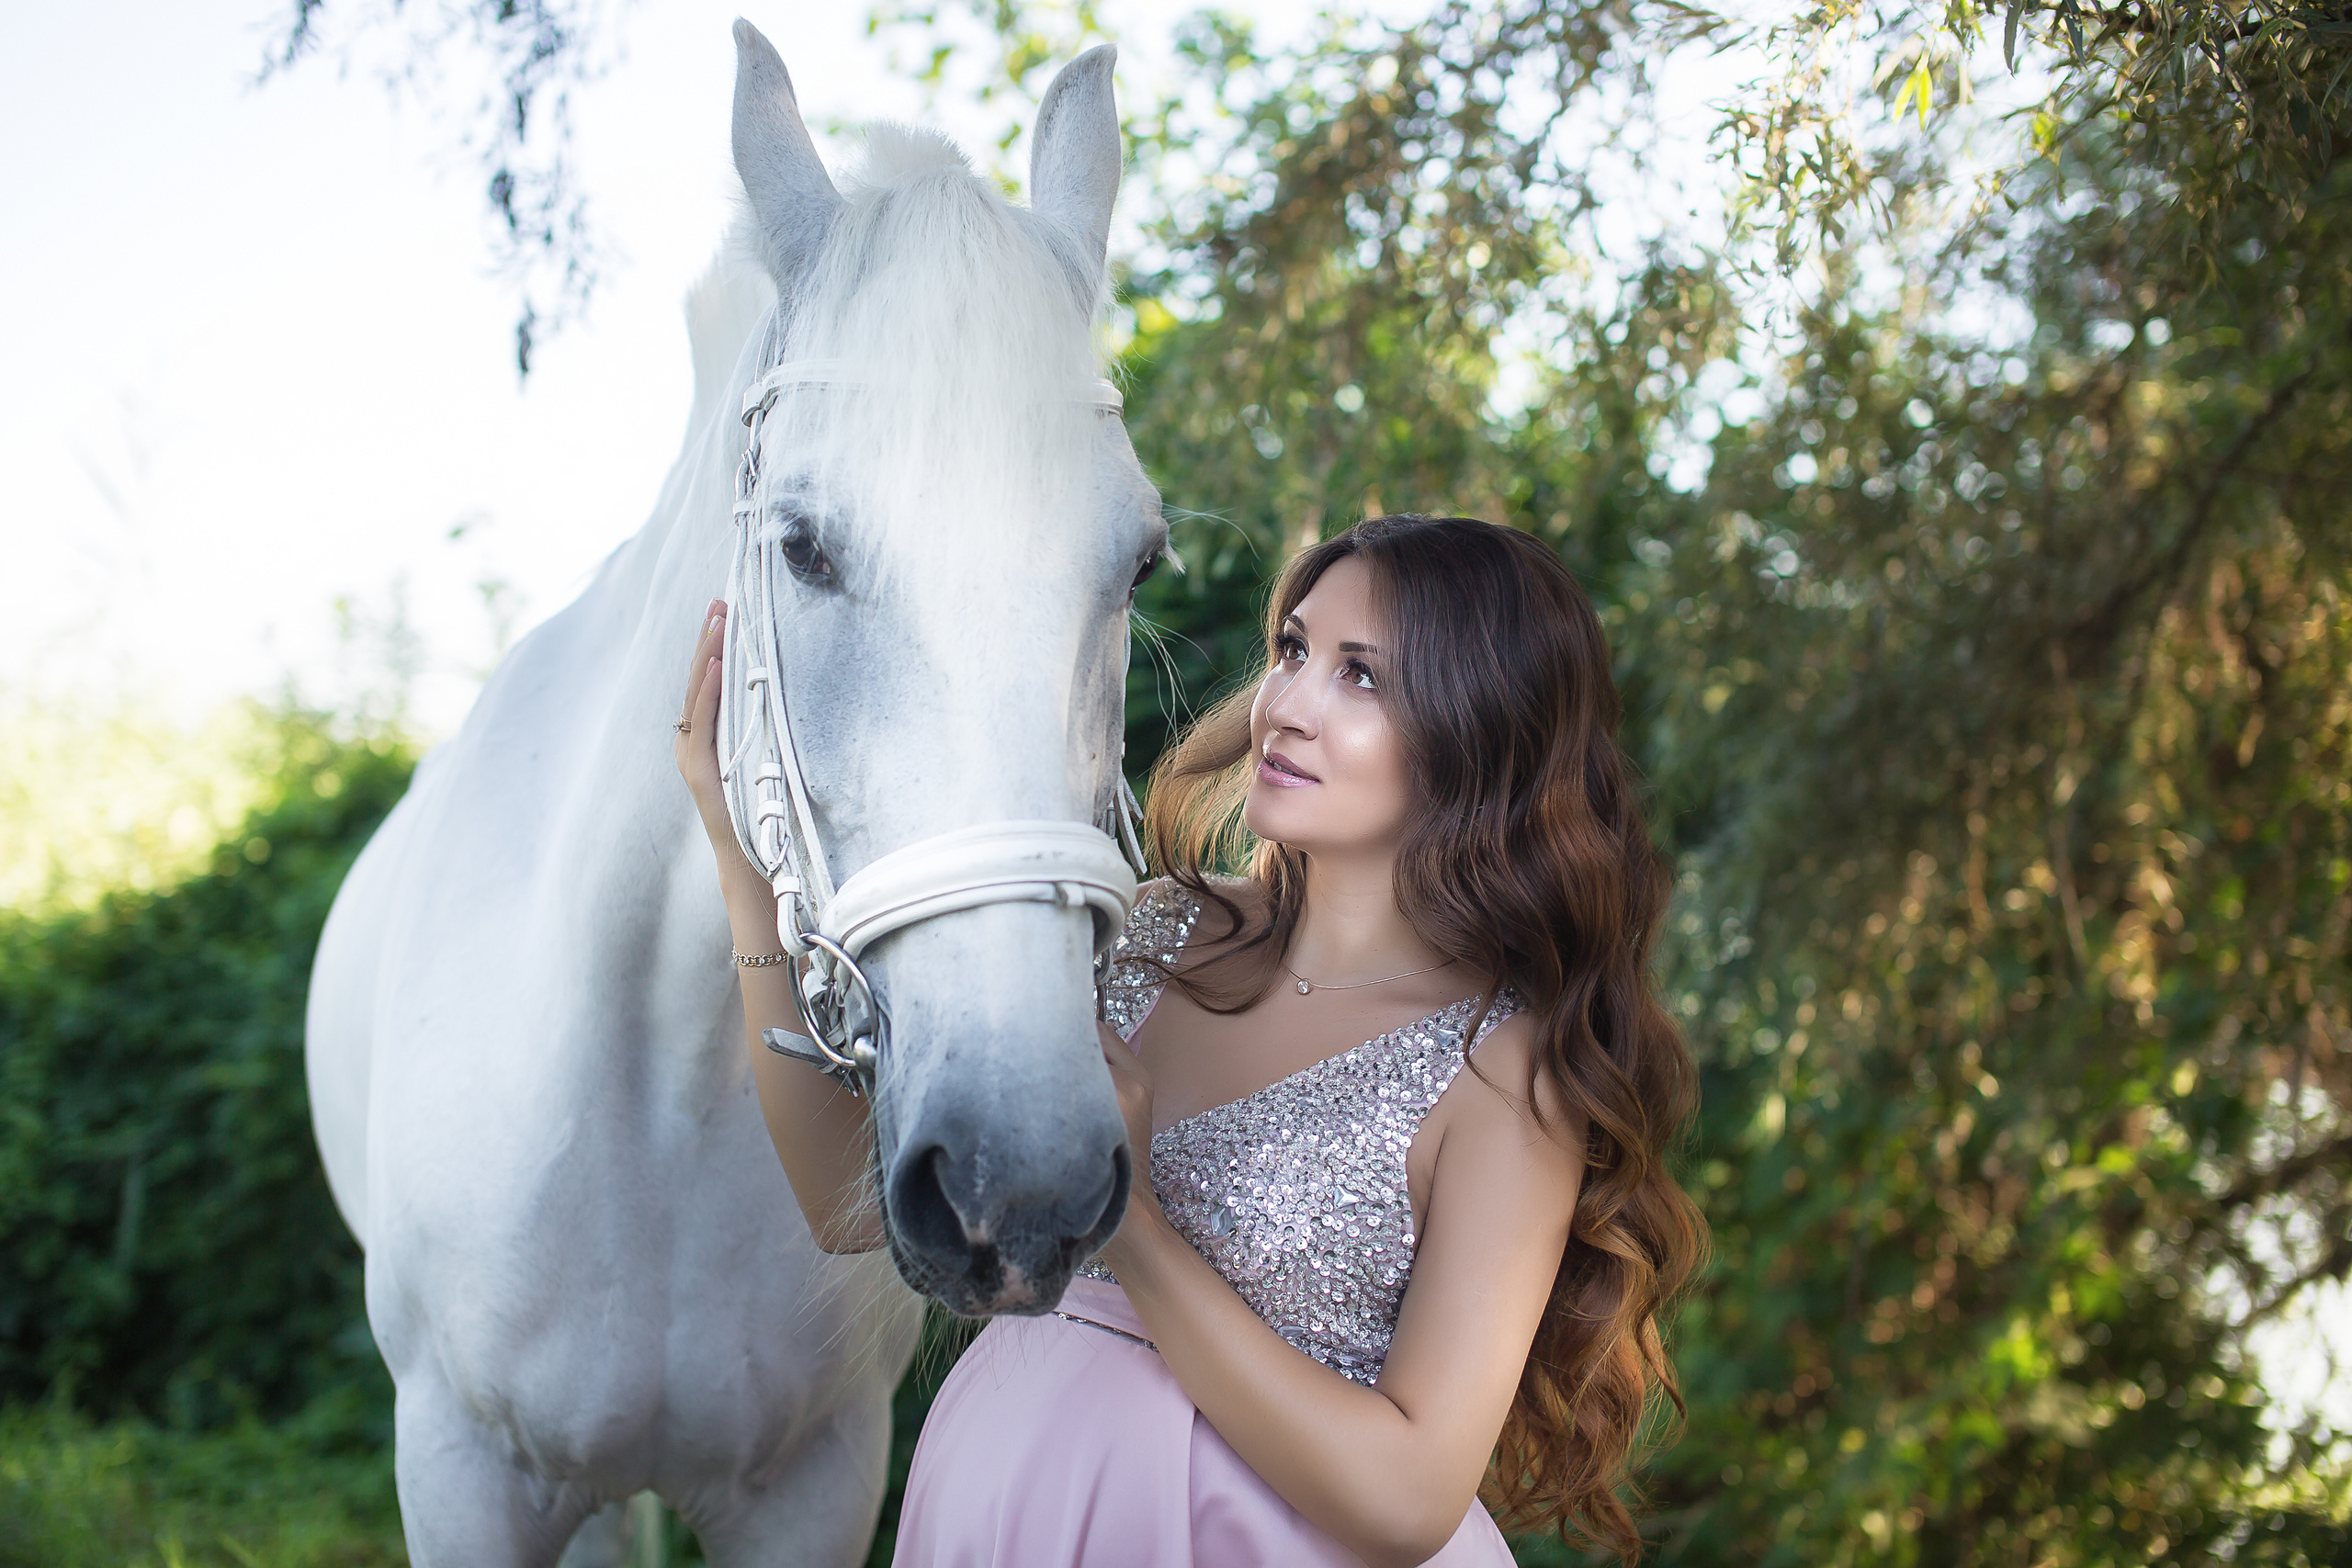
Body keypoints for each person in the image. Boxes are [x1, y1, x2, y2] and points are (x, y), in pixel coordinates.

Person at [673, 514, 1707, 1567]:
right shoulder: (1152, 931)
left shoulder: (1505, 1072)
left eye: (1360, 677)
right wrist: (741, 864)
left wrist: (1129, 1220)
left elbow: (1408, 1499)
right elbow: (845, 1202)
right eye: (1293, 650)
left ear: (1480, 730)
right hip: (1000, 1515)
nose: (1285, 706)